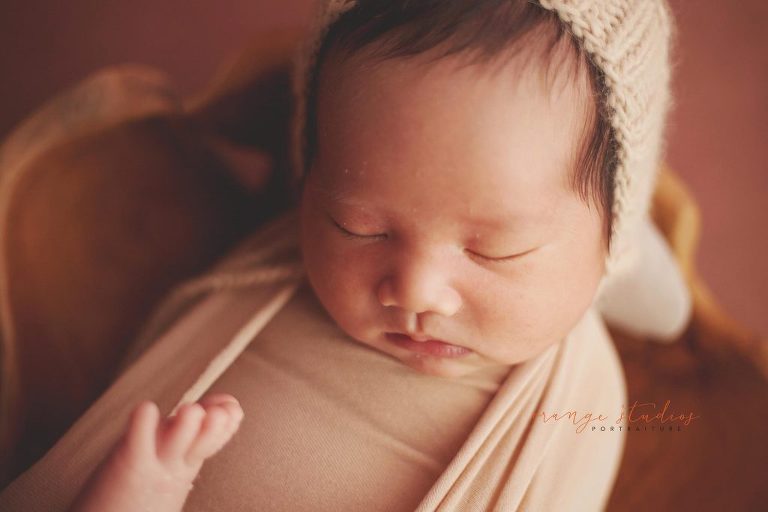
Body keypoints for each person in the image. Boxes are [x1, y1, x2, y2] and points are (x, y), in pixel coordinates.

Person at [0, 1, 685, 510]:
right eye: (358, 227)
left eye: (494, 249)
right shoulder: (267, 268)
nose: (415, 290)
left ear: (611, 236)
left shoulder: (580, 404)